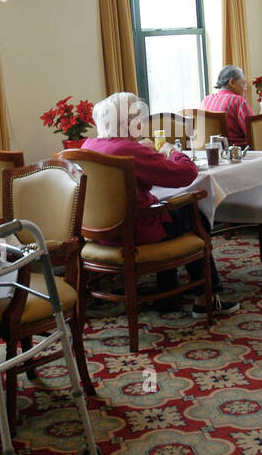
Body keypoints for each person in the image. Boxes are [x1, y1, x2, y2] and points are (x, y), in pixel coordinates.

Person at [82, 92, 239, 317]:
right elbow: (187, 174)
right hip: (137, 231)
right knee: (196, 214)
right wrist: (170, 151)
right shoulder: (129, 151)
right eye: (137, 116)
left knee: (174, 213)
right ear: (126, 123)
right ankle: (206, 298)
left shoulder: (88, 147)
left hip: (100, 233)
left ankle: (168, 293)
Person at [198, 65, 262, 146]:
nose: (245, 88)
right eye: (243, 84)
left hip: (211, 153)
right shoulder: (238, 101)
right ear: (232, 82)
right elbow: (256, 135)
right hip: (237, 153)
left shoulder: (206, 100)